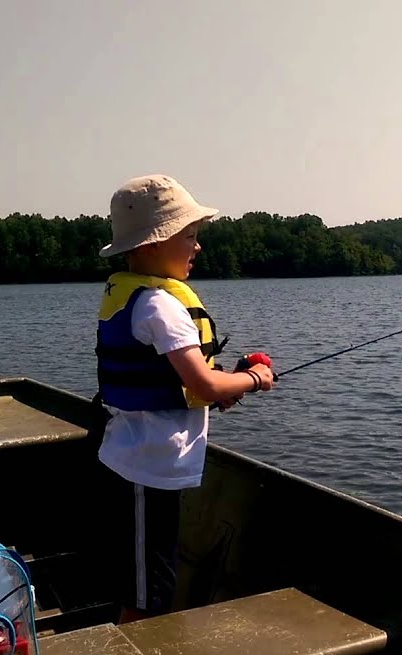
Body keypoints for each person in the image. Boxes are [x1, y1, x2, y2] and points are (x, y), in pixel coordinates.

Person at [93, 174, 275, 623]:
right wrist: (254, 378)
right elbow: (206, 385)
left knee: (151, 583)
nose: (198, 247)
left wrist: (216, 394)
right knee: (146, 595)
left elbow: (188, 389)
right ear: (154, 244)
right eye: (189, 236)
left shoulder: (139, 297)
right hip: (144, 468)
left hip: (146, 464)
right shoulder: (160, 305)